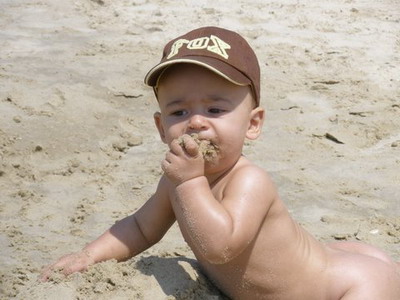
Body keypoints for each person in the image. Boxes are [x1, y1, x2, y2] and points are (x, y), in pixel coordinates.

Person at [41, 26, 400, 299]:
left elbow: (220, 246)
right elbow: (139, 228)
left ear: (253, 124)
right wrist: (90, 254)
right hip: (321, 262)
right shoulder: (176, 181)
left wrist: (190, 183)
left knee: (356, 273)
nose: (196, 122)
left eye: (215, 109)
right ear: (161, 126)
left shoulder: (249, 181)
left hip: (343, 288)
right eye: (179, 111)